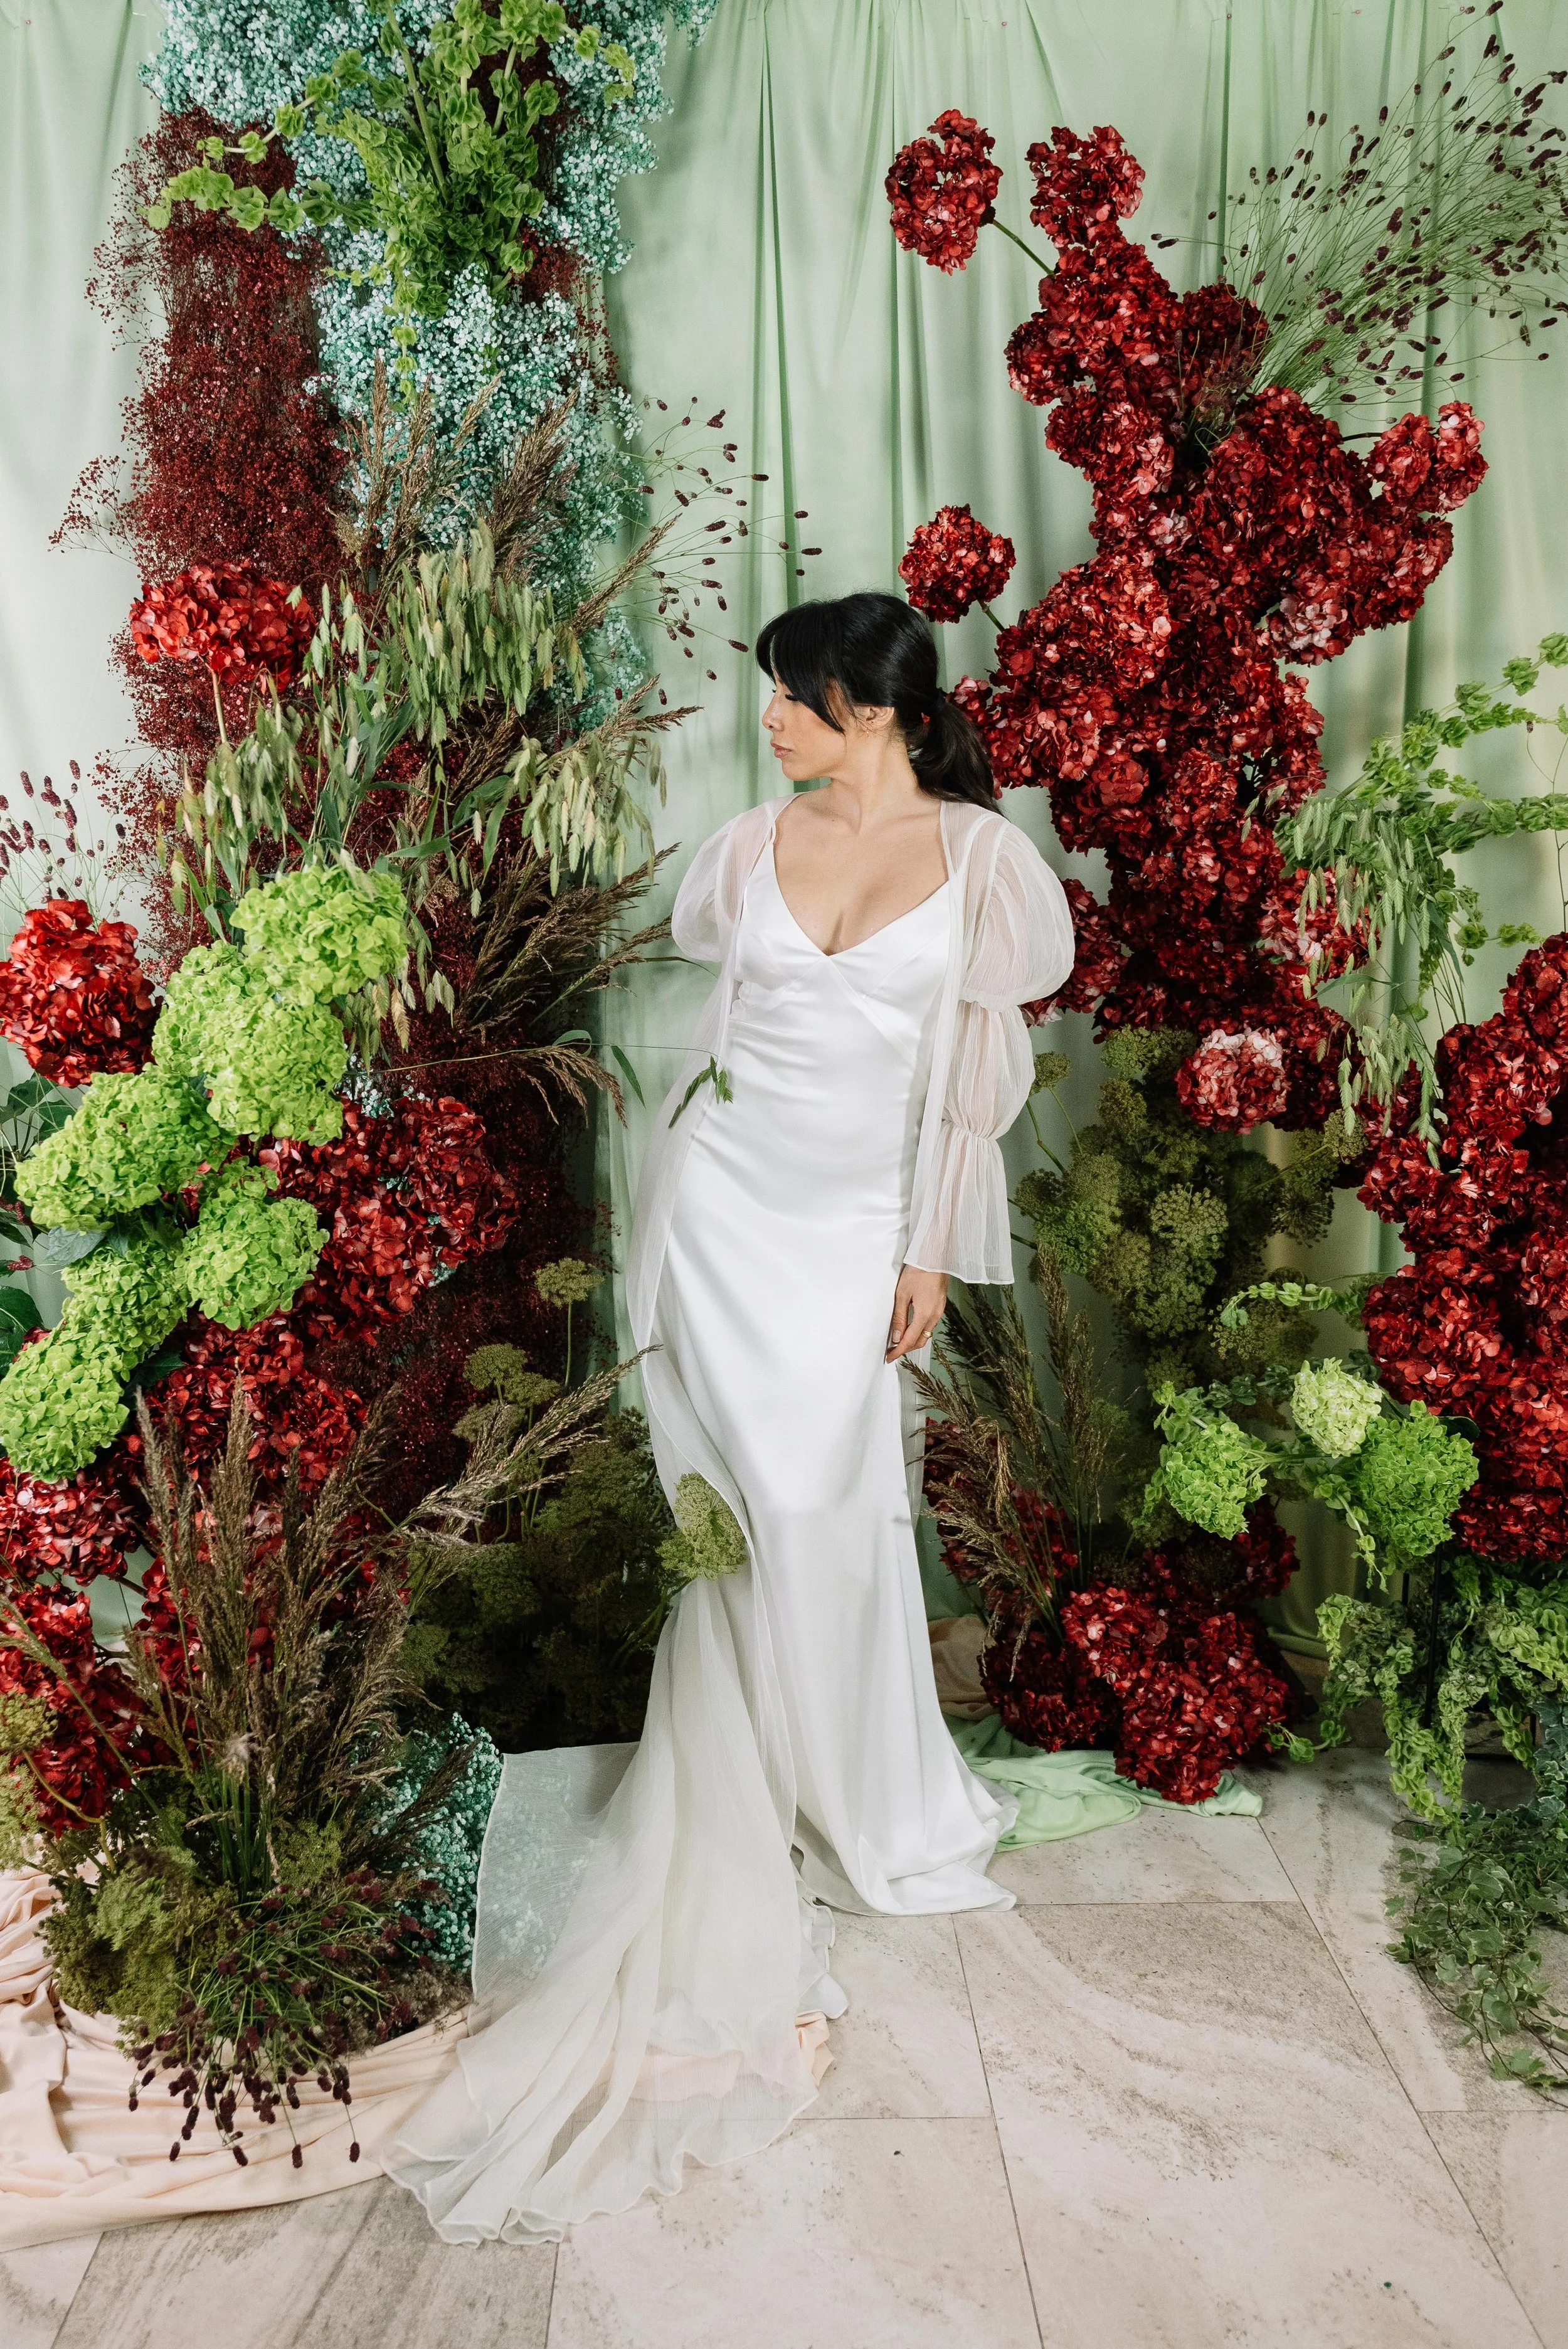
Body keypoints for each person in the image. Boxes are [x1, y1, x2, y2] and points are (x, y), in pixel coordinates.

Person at [388, 591, 1075, 2244]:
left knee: (833, 1515)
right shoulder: (745, 842)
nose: (764, 722)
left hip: (849, 1246)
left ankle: (866, 1791)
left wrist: (923, 1251)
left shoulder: (987, 869)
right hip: (717, 1225)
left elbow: (970, 1079)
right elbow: (721, 1016)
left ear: (872, 710)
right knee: (731, 1528)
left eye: (789, 699)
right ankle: (750, 1770)